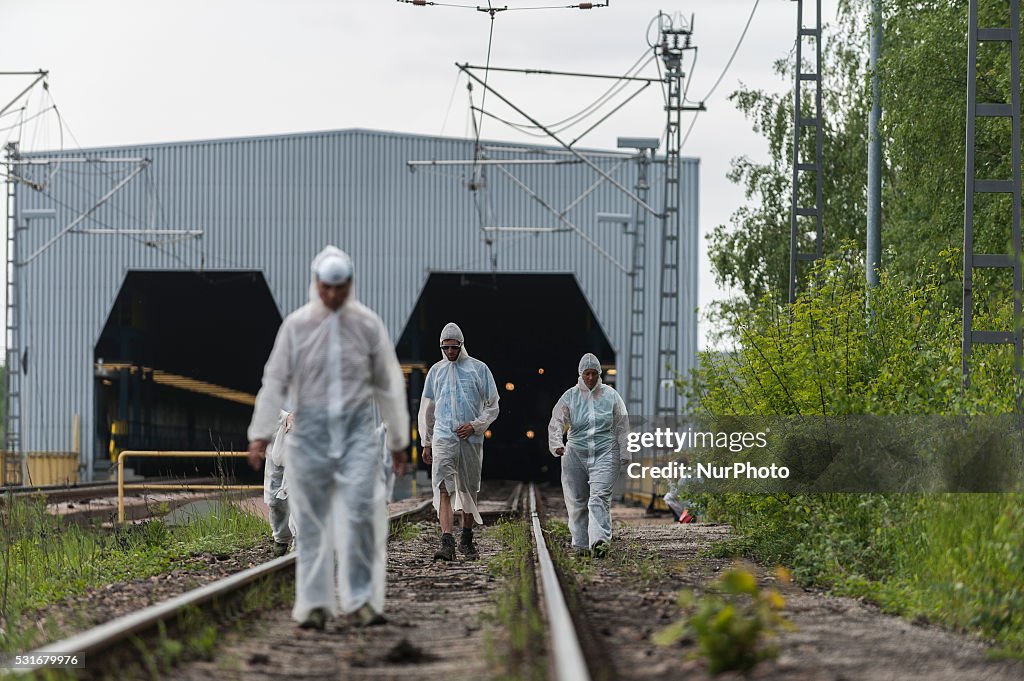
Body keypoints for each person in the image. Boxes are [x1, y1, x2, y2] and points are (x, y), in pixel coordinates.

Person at [247, 246, 409, 631]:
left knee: (360, 518)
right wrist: (259, 433)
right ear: (316, 283)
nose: (333, 295)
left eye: (339, 287)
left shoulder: (368, 326)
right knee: (313, 522)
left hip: (355, 436)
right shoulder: (297, 327)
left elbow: (388, 385)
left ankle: (362, 602)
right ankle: (316, 604)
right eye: (326, 287)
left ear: (348, 284)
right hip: (312, 437)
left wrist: (399, 439)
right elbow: (274, 382)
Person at [418, 322, 499, 561]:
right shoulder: (436, 372)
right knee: (444, 488)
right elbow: (428, 410)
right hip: (444, 437)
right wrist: (427, 440)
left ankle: (466, 537)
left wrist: (475, 425)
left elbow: (493, 405)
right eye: (446, 348)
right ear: (441, 347)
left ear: (461, 346)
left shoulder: (479, 369)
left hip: (470, 440)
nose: (450, 352)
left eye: (454, 348)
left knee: (469, 490)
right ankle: (446, 542)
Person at [547, 353, 630, 558]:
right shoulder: (570, 396)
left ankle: (599, 542)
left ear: (599, 374)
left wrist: (625, 449)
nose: (590, 378)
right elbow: (556, 421)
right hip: (575, 452)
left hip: (606, 451)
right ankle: (581, 545)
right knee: (577, 501)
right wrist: (556, 444)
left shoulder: (611, 395)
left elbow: (622, 424)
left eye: (594, 374)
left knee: (599, 497)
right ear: (580, 374)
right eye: (587, 374)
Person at [265, 410, 296, 557]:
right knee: (276, 499)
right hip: (278, 439)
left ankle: (300, 542)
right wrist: (285, 417)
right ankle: (281, 539)